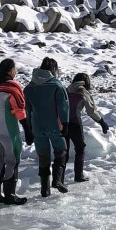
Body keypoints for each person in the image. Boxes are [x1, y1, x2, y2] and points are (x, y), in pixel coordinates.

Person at [0, 58, 32, 207]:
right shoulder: (12, 89)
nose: (16, 72)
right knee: (12, 161)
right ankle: (10, 195)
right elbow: (19, 110)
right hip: (10, 133)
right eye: (15, 69)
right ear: (11, 70)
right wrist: (27, 130)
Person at [24, 56, 70, 197]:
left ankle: (45, 189)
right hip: (55, 126)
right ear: (53, 69)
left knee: (43, 157)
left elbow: (27, 110)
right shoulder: (56, 85)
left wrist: (28, 129)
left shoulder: (29, 88)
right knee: (61, 151)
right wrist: (66, 123)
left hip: (37, 127)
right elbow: (63, 106)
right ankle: (57, 180)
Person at [66, 72, 109, 182]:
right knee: (80, 149)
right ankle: (78, 175)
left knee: (63, 151)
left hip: (62, 123)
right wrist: (102, 122)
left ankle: (59, 179)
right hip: (75, 123)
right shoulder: (83, 92)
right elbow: (91, 111)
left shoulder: (66, 90)